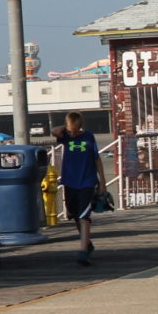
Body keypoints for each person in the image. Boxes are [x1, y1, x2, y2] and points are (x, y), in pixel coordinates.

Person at [54, 112, 108, 266]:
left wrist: (102, 182)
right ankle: (87, 242)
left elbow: (97, 159)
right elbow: (54, 131)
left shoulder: (89, 137)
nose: (73, 133)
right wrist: (66, 129)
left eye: (75, 129)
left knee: (84, 216)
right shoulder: (65, 136)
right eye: (71, 130)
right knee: (74, 214)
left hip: (87, 181)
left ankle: (83, 251)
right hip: (70, 181)